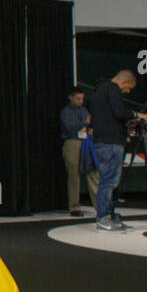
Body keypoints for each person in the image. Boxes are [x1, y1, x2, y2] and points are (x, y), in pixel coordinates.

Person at [86, 70, 147, 231]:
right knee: (109, 182)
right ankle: (104, 218)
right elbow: (119, 112)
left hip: (102, 140)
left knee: (109, 182)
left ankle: (110, 216)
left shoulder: (97, 91)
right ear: (126, 82)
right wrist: (139, 115)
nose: (127, 92)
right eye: (129, 88)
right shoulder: (113, 88)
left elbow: (104, 115)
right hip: (111, 142)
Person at [59, 86, 98, 216]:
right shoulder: (66, 112)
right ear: (70, 98)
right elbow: (70, 128)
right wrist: (84, 123)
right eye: (77, 99)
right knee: (73, 175)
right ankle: (74, 207)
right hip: (72, 142)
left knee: (92, 172)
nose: (80, 101)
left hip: (86, 142)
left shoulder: (84, 110)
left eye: (82, 99)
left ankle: (100, 206)